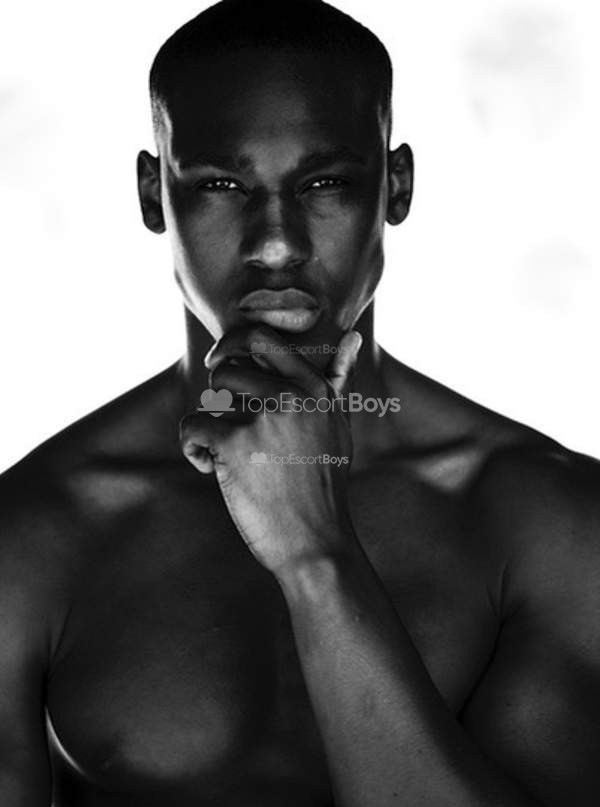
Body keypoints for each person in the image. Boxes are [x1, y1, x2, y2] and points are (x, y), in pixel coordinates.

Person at [1, 0, 599, 804]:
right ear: (152, 194)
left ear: (396, 185)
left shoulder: (553, 520)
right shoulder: (34, 532)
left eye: (325, 183)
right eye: (221, 184)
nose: (276, 243)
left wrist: (316, 558)